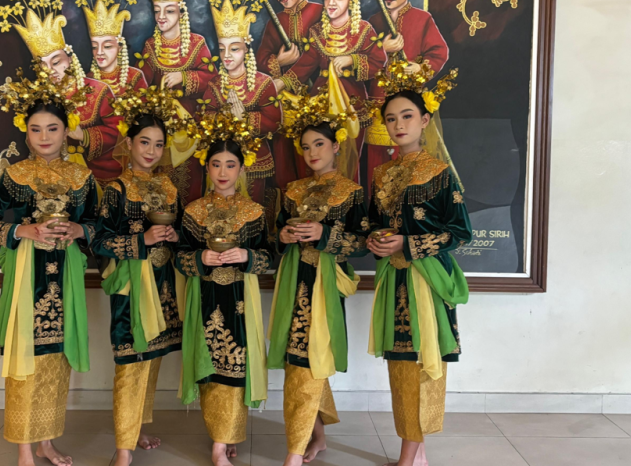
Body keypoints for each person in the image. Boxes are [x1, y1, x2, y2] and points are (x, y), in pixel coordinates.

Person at [0, 64, 98, 466]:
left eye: (52, 129)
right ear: (26, 133)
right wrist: (22, 230)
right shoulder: (14, 176)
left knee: (56, 360)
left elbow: (98, 225)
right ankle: (24, 450)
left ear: (66, 131)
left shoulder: (82, 177)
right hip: (27, 276)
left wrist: (79, 230)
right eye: (35, 129)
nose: (44, 137)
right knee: (25, 358)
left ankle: (46, 441)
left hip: (65, 277)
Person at [364, 62, 470, 466]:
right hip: (393, 279)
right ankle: (416, 449)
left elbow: (460, 232)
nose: (398, 125)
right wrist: (376, 241)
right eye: (391, 119)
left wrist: (408, 243)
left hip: (426, 281)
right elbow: (374, 224)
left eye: (407, 116)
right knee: (400, 364)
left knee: (421, 362)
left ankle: (409, 455)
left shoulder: (440, 174)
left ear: (425, 121)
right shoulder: (382, 175)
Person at [92, 86, 189, 466]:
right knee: (131, 364)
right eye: (144, 142)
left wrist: (174, 237)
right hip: (132, 290)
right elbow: (99, 242)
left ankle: (137, 428)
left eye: (158, 144)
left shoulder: (168, 188)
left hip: (164, 287)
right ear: (129, 143)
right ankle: (122, 448)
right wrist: (141, 240)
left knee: (152, 361)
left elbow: (182, 234)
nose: (151, 150)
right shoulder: (116, 190)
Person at [270, 94, 367, 466]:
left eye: (320, 144)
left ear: (335, 146)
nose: (312, 152)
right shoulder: (293, 191)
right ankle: (317, 436)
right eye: (306, 146)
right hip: (294, 282)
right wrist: (284, 235)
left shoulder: (351, 192)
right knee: (299, 358)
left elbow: (362, 243)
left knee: (311, 357)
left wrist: (324, 235)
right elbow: (276, 235)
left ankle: (294, 451)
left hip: (325, 285)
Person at [175, 114, 272, 466]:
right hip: (204, 300)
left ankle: (227, 435)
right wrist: (200, 257)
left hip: (240, 302)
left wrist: (246, 256)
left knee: (237, 367)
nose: (222, 172)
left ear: (242, 170)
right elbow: (179, 258)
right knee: (210, 368)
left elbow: (268, 258)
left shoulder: (254, 212)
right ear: (207, 168)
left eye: (230, 165)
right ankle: (219, 444)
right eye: (216, 164)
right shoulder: (193, 212)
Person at [274, 0, 388, 181]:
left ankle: (346, 203)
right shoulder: (317, 32)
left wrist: (352, 60)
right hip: (321, 106)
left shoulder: (364, 30)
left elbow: (378, 63)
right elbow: (304, 66)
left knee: (348, 164)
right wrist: (280, 82)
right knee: (319, 164)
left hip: (352, 107)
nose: (331, 3)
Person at [0, 0, 124, 185]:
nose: (51, 70)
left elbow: (119, 130)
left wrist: (84, 135)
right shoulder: (38, 98)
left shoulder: (98, 90)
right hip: (54, 175)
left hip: (97, 173)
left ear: (69, 58)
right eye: (43, 65)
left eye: (56, 62)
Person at [365, 0, 450, 190]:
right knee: (376, 168)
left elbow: (439, 52)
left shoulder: (422, 19)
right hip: (377, 104)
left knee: (410, 169)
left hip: (409, 104)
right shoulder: (373, 21)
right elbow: (364, 61)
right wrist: (381, 49)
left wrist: (421, 68)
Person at [196, 0, 282, 223]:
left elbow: (275, 122)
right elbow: (203, 118)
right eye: (222, 49)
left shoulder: (263, 83)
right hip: (221, 162)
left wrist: (244, 118)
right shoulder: (215, 84)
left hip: (255, 160)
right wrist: (224, 118)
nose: (226, 56)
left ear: (246, 50)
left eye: (234, 49)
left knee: (250, 215)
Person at [135, 0, 217, 203]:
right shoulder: (150, 45)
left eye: (169, 11)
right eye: (157, 11)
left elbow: (212, 79)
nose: (161, 17)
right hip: (161, 125)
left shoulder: (196, 43)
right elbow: (143, 84)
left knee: (189, 179)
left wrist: (183, 76)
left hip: (190, 124)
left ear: (181, 12)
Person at [254, 0, 325, 185]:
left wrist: (287, 78)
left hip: (318, 98)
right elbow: (261, 59)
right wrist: (279, 62)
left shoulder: (321, 12)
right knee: (285, 162)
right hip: (284, 105)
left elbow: (318, 53)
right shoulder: (275, 22)